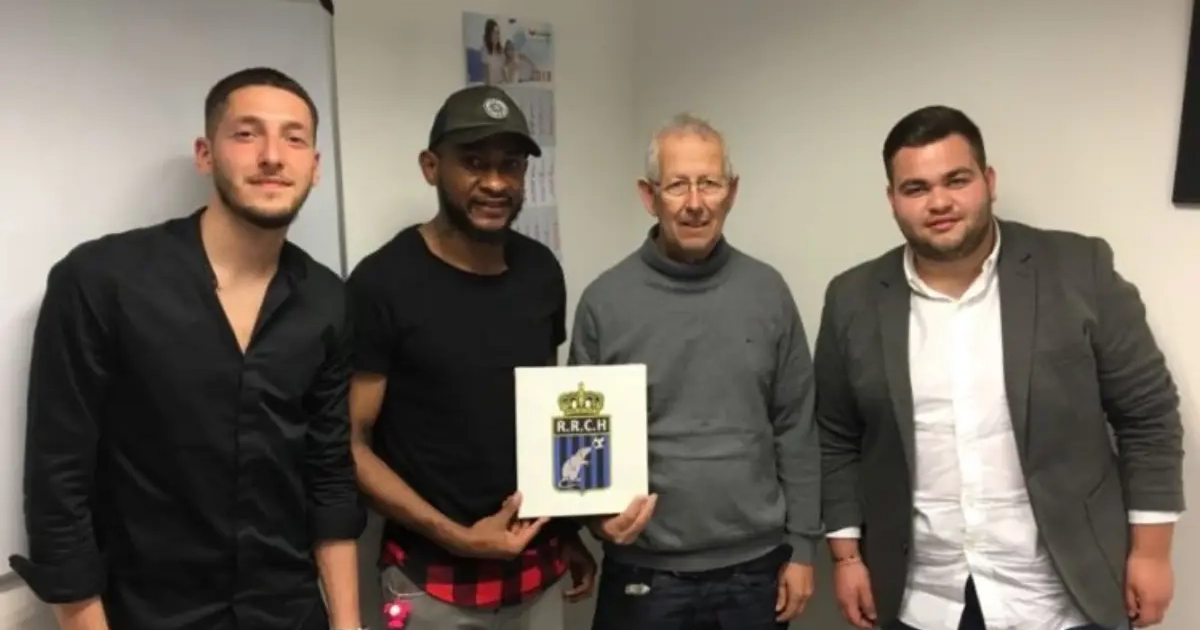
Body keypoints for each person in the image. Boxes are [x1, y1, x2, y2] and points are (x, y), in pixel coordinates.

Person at [9, 67, 366, 630]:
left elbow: (329, 476)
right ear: (205, 154)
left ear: (315, 166)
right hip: (148, 612)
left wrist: (347, 624)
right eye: (246, 133)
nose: (273, 156)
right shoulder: (102, 280)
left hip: (288, 610)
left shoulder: (327, 298)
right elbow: (58, 484)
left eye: (294, 138)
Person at [816, 105, 1184, 630]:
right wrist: (846, 557)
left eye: (956, 180)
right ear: (892, 199)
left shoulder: (1079, 269)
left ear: (988, 181)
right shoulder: (852, 298)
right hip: (924, 597)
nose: (939, 202)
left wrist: (1151, 553)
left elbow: (1147, 416)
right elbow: (836, 436)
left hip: (1059, 596)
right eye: (916, 188)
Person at [345, 85, 652, 630]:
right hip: (432, 583)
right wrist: (456, 536)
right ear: (431, 167)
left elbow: (543, 418)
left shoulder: (540, 272)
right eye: (473, 163)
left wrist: (567, 532)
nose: (494, 182)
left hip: (538, 575)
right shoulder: (382, 282)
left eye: (510, 165)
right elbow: (350, 444)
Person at [570, 113, 822, 630]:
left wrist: (802, 547)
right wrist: (594, 519)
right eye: (677, 185)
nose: (694, 202)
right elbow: (581, 438)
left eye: (709, 183)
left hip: (756, 571)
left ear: (732, 192)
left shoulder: (768, 293)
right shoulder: (605, 301)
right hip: (644, 573)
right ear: (649, 195)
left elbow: (796, 427)